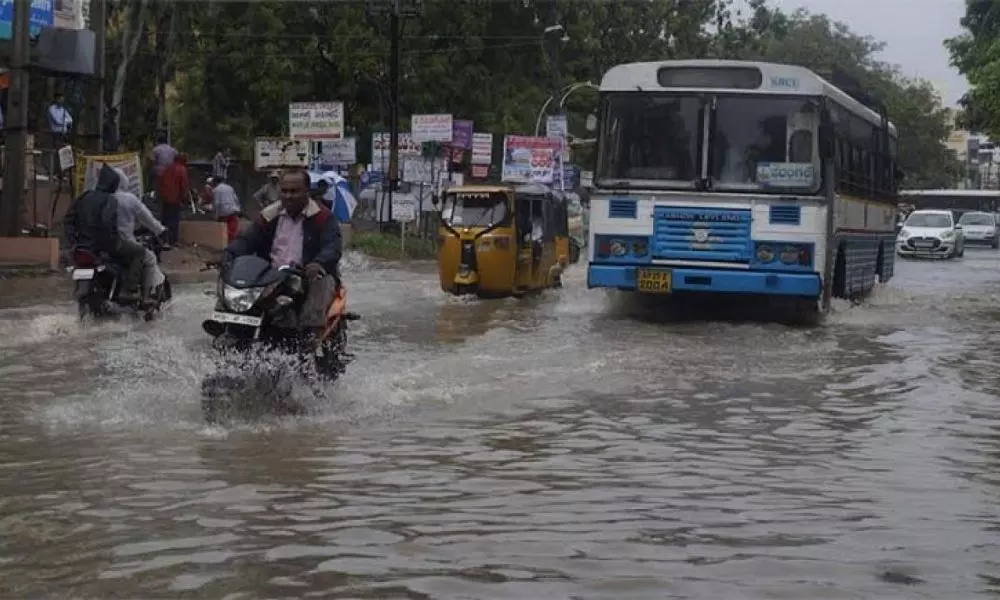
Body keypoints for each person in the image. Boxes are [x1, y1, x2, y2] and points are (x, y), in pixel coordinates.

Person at [221, 169, 342, 334]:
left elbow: (332, 246)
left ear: (307, 191)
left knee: (321, 284)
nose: (288, 196)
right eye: (284, 191)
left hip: (307, 275)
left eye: (294, 191)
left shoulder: (322, 217)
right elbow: (247, 240)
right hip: (271, 275)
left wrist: (318, 263)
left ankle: (310, 336)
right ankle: (224, 322)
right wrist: (229, 254)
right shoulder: (269, 215)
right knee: (234, 282)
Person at [63, 164, 146, 304]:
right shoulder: (110, 200)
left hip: (82, 247)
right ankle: (129, 290)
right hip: (104, 247)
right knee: (139, 252)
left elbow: (68, 221)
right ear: (112, 184)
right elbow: (107, 224)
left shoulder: (83, 197)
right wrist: (112, 243)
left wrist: (73, 242)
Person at [113, 167, 169, 305]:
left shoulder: (103, 197)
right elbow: (147, 219)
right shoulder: (129, 199)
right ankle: (145, 297)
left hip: (101, 244)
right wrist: (161, 230)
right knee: (149, 258)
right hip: (124, 242)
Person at [158, 153, 190, 244]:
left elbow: (161, 183)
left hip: (165, 198)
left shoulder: (167, 169)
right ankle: (172, 240)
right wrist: (184, 198)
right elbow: (184, 185)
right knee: (174, 220)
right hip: (175, 199)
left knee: (165, 218)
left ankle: (163, 239)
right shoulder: (182, 169)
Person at [211, 176, 242, 242]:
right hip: (233, 210)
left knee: (223, 230)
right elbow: (236, 199)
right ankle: (232, 244)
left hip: (223, 212)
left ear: (215, 182)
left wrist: (216, 215)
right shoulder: (230, 188)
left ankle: (224, 244)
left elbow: (217, 203)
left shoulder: (216, 190)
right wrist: (238, 209)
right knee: (233, 229)